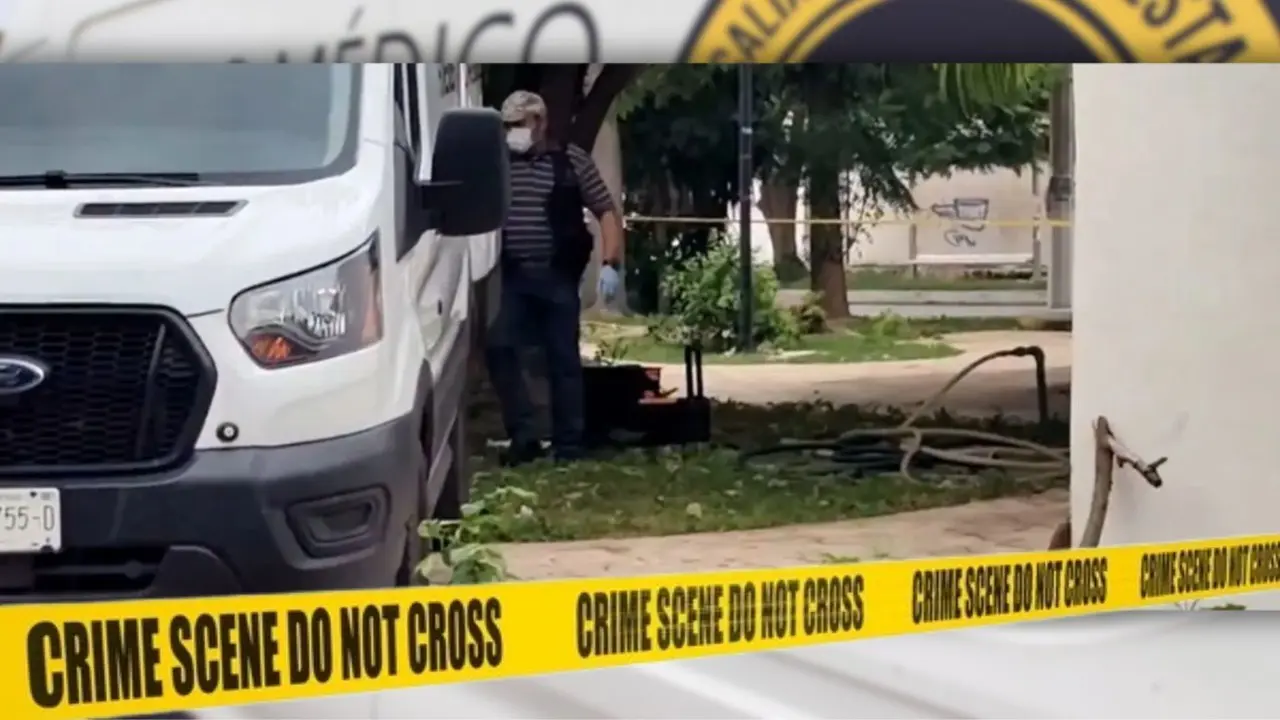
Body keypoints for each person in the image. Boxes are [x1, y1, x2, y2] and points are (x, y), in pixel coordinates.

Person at [486, 90, 625, 464]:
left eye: (519, 125)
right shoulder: (498, 164)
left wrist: (611, 265)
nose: (512, 133)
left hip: (558, 277)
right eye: (507, 126)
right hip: (514, 276)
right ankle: (524, 435)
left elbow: (606, 212)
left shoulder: (569, 161)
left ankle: (569, 445)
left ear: (540, 123)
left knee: (562, 359)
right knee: (499, 348)